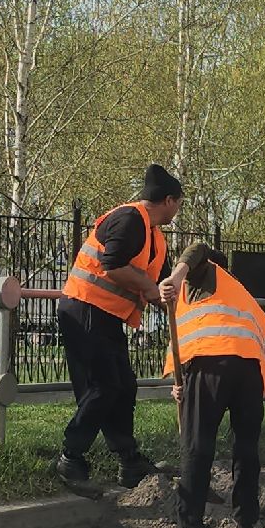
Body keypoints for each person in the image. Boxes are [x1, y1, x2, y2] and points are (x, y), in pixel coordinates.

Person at [53, 164, 183, 490]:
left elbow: (158, 285)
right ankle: (71, 457)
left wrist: (174, 306)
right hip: (84, 309)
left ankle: (129, 460)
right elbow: (112, 266)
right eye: (179, 203)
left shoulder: (155, 237)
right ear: (168, 200)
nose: (178, 209)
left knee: (124, 385)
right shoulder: (130, 219)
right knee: (103, 386)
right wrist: (150, 289)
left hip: (107, 316)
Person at [153, 247, 265, 528]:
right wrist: (182, 385)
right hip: (249, 372)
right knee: (246, 450)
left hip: (211, 365)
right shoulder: (241, 295)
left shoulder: (207, 274)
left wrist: (176, 276)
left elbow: (198, 249)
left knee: (197, 445)